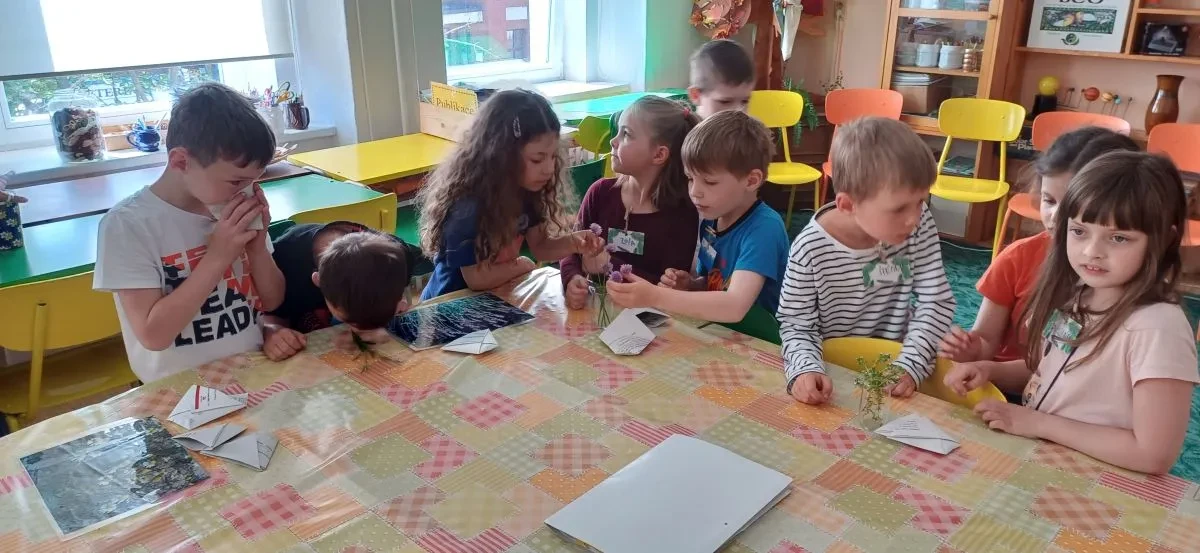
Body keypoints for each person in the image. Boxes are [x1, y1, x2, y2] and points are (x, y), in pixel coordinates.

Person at [945, 151, 1198, 475]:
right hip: (1049, 460)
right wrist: (990, 369)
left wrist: (1039, 423)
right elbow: (1052, 371)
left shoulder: (1158, 328)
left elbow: (1154, 454)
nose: (1092, 251)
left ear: (1164, 239)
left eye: (1119, 238)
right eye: (1079, 231)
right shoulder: (1081, 292)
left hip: (1100, 480)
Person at [94, 83, 285, 383]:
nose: (246, 192)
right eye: (236, 181)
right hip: (179, 387)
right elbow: (154, 336)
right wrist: (218, 257)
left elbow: (272, 302)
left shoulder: (230, 207)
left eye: (254, 181)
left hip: (252, 370)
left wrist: (257, 249)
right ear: (181, 161)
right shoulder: (127, 225)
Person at [778, 117, 954, 405]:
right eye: (899, 209)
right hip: (833, 369)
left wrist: (911, 363)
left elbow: (936, 302)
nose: (914, 218)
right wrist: (805, 369)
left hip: (898, 363)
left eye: (921, 201)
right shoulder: (809, 248)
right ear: (848, 205)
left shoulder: (919, 223)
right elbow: (796, 324)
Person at [941, 127, 1139, 364]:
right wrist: (972, 350)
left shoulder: (1124, 275)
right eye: (1049, 200)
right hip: (1001, 378)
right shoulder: (1018, 257)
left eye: (1072, 205)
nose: (1056, 215)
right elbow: (985, 339)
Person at [417, 89, 604, 300]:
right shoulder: (468, 205)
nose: (549, 169)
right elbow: (476, 279)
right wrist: (521, 265)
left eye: (553, 157)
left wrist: (574, 242)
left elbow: (541, 246)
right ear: (502, 155)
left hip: (494, 298)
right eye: (537, 159)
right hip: (449, 304)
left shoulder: (527, 191)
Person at [607, 110, 788, 325]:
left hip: (761, 338)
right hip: (719, 329)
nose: (695, 192)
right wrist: (692, 285)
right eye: (690, 178)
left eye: (709, 182)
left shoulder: (765, 229)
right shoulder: (711, 218)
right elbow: (715, 283)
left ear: (751, 181)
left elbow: (734, 305)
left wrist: (655, 296)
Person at [561, 97, 700, 310]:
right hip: (594, 311)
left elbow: (666, 289)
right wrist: (572, 278)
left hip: (649, 319)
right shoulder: (600, 192)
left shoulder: (682, 214)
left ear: (659, 154)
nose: (613, 141)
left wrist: (607, 265)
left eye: (626, 134)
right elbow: (571, 248)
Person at [261, 223, 417, 361]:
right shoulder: (283, 262)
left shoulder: (396, 254)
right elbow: (270, 315)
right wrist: (273, 331)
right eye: (352, 322)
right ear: (318, 281)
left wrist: (394, 304)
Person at [688, 39, 755, 119]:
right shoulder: (681, 125)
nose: (739, 112)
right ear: (695, 95)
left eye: (745, 101)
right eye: (725, 102)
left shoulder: (746, 126)